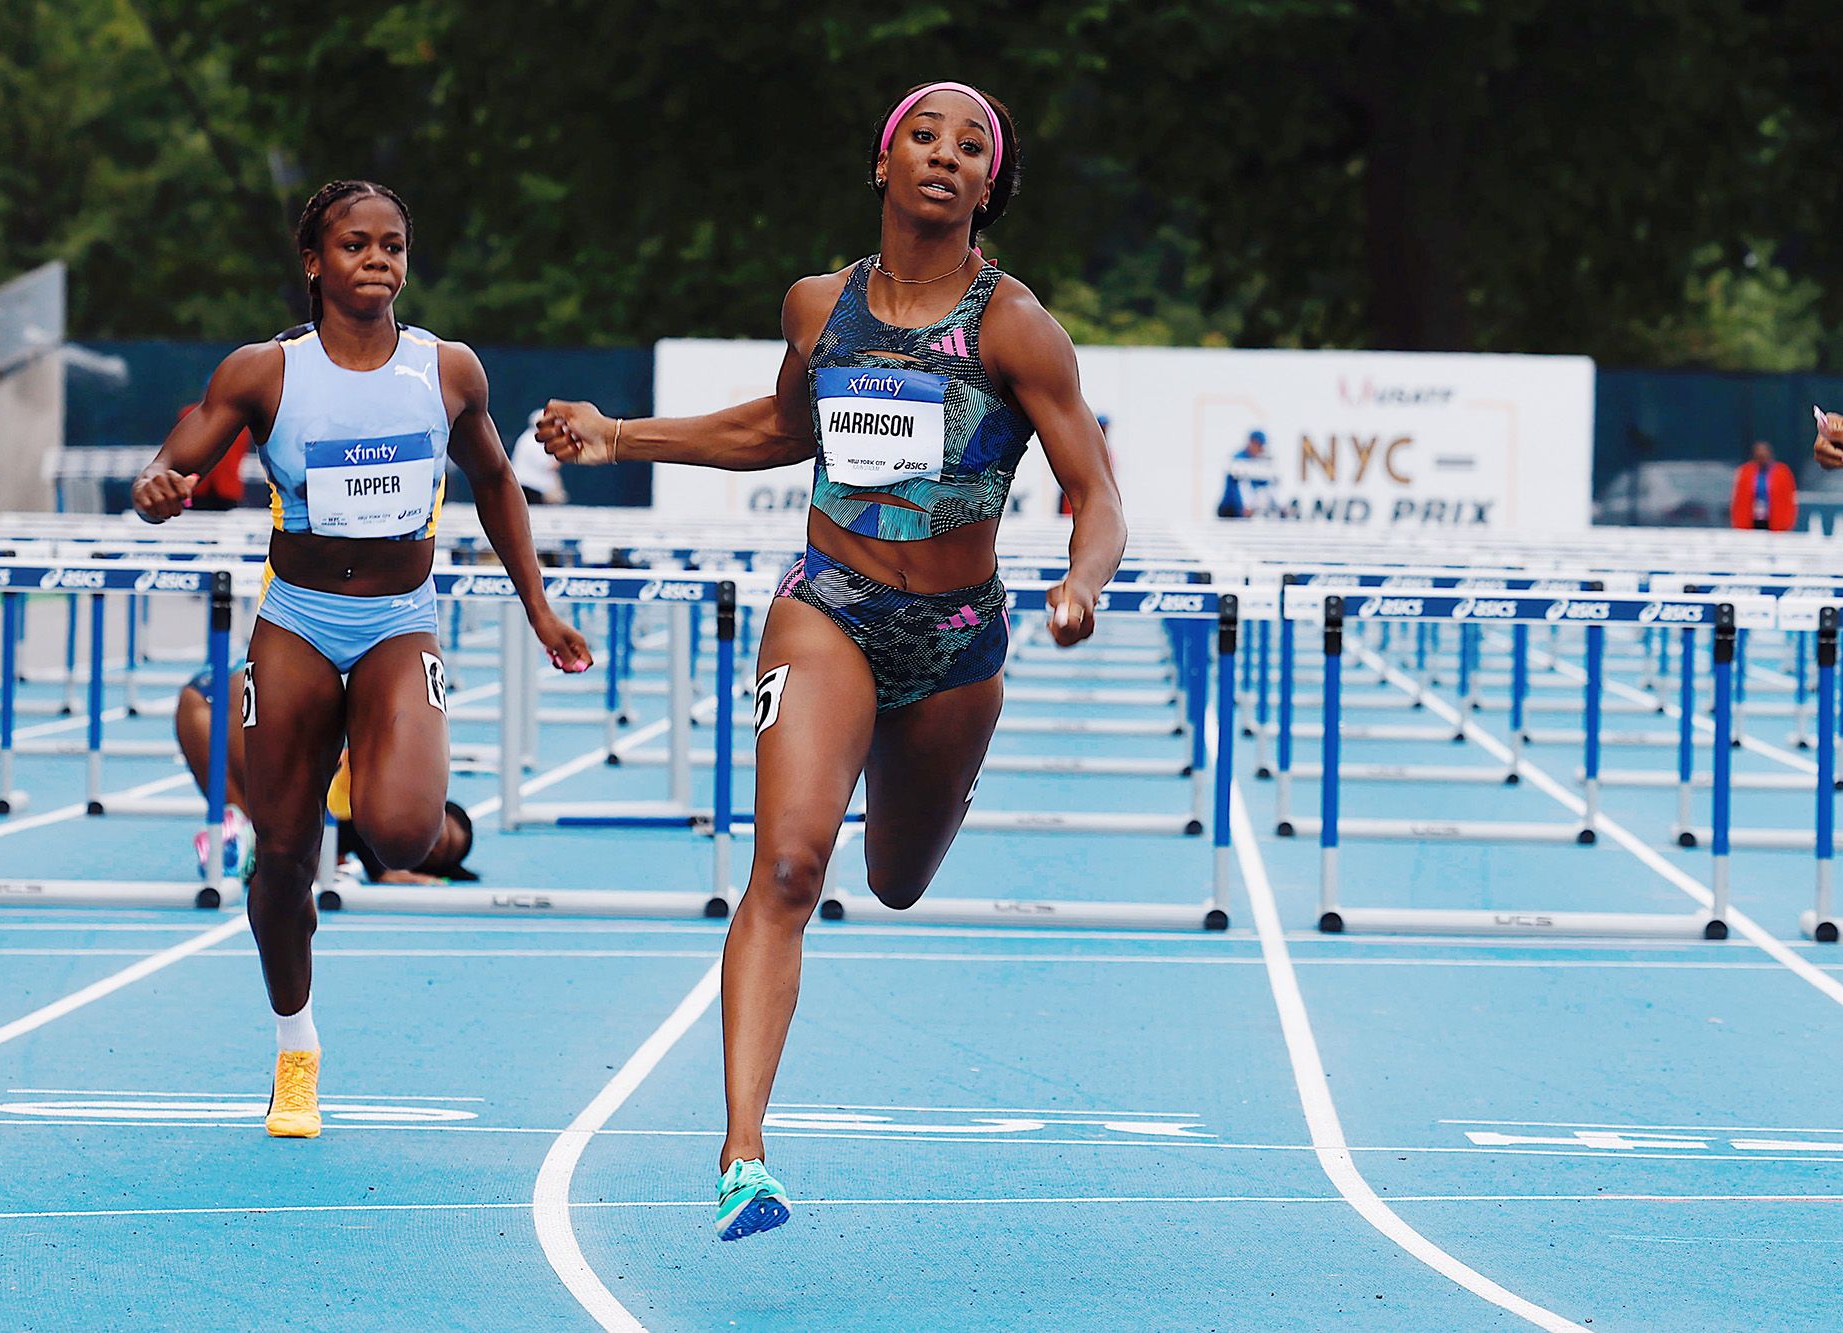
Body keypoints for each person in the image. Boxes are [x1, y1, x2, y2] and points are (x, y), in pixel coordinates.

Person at [539, 81, 1126, 1241]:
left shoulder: (1013, 326)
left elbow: (1096, 490)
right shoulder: (818, 305)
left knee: (898, 877)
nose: (943, 156)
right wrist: (620, 437)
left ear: (987, 186)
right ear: (881, 162)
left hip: (957, 640)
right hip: (829, 606)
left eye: (971, 147)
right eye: (922, 135)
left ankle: (912, 791)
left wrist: (1080, 583)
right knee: (791, 870)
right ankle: (741, 1153)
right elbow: (777, 430)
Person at [134, 179, 589, 1140]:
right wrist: (159, 486)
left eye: (392, 245)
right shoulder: (267, 371)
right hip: (296, 622)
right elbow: (177, 456)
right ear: (314, 262)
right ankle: (295, 1049)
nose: (378, 260)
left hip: (397, 622)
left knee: (398, 833)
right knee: (287, 857)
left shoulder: (448, 369)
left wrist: (539, 607)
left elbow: (497, 481)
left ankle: (384, 749)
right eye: (355, 244)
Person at [176, 664, 477, 884]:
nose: (435, 842)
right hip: (250, 685)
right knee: (273, 822)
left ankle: (236, 835)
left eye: (439, 852)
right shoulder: (391, 793)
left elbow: (382, 867)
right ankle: (239, 839)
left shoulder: (376, 845)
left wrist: (390, 874)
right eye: (442, 832)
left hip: (205, 705)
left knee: (261, 828)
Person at [1729, 439, 1795, 531]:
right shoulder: (1746, 472)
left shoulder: (1782, 473)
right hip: (1749, 519)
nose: (1762, 457)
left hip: (1775, 520)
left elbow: (1789, 498)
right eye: (1759, 454)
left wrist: (1787, 522)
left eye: (1764, 454)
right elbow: (1738, 497)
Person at [510, 409, 567, 505]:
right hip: (531, 489)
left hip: (524, 486)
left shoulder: (526, 438)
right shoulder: (536, 441)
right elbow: (550, 466)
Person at [1217, 428, 1275, 519]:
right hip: (1230, 509)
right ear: (1252, 443)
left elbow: (1265, 487)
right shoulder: (1238, 460)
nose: (1261, 449)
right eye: (1259, 445)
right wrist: (1242, 507)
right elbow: (1238, 488)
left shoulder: (1259, 463)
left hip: (1244, 511)